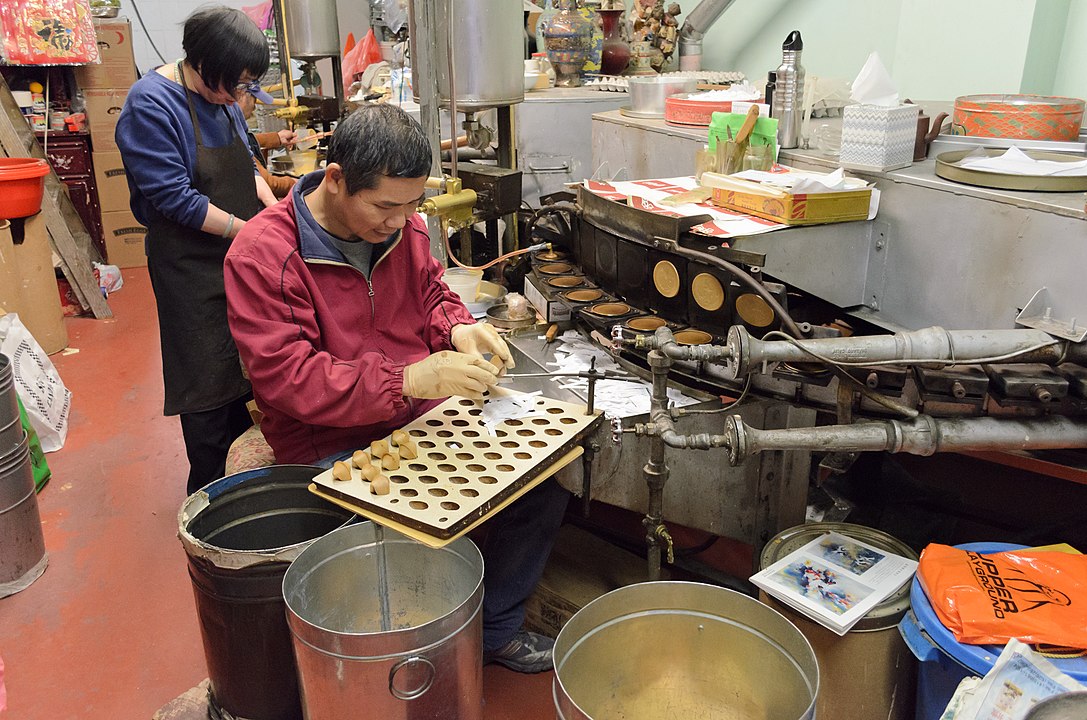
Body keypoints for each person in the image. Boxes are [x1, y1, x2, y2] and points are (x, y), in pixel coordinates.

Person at [224, 104, 569, 673]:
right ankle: (404, 653)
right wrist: (407, 378)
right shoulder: (264, 255)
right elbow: (287, 378)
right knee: (405, 535)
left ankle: (495, 628)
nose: (403, 219)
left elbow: (431, 292)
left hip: (416, 413)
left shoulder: (403, 226)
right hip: (327, 440)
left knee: (543, 473)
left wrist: (458, 326)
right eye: (386, 205)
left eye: (413, 204)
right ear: (335, 179)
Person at [116, 6, 276, 495]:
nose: (240, 96)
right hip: (189, 265)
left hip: (237, 256)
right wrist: (249, 233)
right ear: (202, 63)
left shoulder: (223, 96)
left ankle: (251, 485)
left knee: (249, 377)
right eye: (237, 84)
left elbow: (247, 166)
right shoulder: (152, 105)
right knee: (207, 387)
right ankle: (210, 504)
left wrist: (274, 218)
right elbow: (175, 198)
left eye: (248, 85)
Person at [237, 88, 298, 199]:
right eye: (254, 99)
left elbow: (249, 140)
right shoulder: (231, 132)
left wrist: (278, 138)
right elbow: (270, 184)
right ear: (240, 95)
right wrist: (295, 184)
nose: (255, 107)